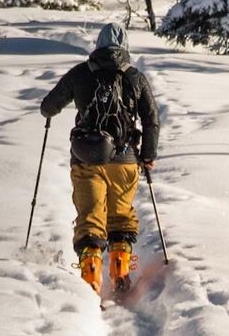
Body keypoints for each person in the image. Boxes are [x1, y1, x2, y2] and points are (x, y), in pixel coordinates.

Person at [40, 23, 159, 295]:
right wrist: (148, 156)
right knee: (121, 218)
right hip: (125, 160)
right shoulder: (135, 77)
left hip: (85, 159)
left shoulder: (81, 73)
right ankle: (120, 273)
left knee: (90, 220)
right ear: (125, 47)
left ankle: (91, 283)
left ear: (98, 45)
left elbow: (48, 106)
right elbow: (152, 118)